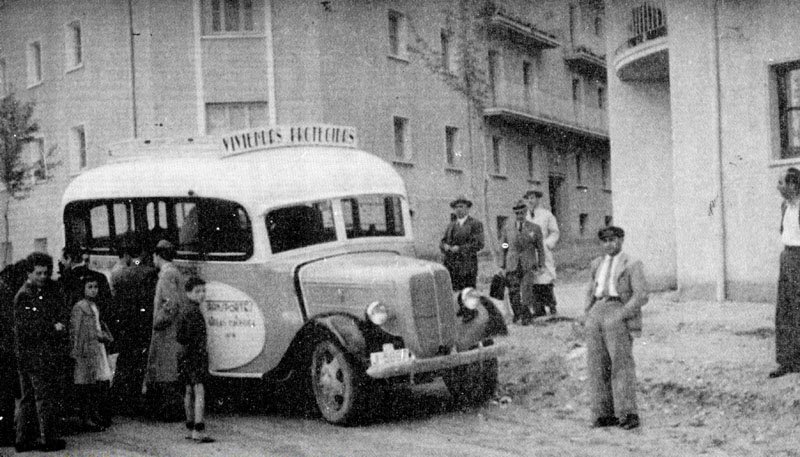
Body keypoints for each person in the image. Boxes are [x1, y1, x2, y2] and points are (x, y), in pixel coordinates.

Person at [584, 226, 648, 430]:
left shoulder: (632, 264)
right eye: (605, 241)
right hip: (597, 311)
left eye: (613, 240)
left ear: (621, 240)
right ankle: (603, 414)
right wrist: (587, 313)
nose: (609, 244)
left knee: (621, 364)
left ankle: (628, 414)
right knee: (597, 364)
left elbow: (641, 295)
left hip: (617, 309)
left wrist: (622, 314)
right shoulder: (596, 263)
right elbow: (591, 290)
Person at [13, 252, 68, 452]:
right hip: (35, 355)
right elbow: (28, 328)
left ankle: (22, 440)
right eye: (38, 273)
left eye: (46, 273)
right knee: (44, 398)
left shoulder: (36, 291)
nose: (43, 277)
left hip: (30, 355)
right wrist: (53, 327)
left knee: (28, 398)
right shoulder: (25, 295)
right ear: (29, 273)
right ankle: (48, 439)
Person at [110, 241, 158, 410]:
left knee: (125, 360)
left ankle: (120, 396)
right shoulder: (140, 270)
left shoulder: (117, 271)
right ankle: (131, 398)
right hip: (138, 321)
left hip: (124, 320)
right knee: (137, 361)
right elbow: (141, 270)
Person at [144, 240, 185, 421]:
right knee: (168, 369)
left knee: (165, 369)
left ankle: (169, 411)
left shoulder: (167, 275)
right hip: (173, 329)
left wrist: (158, 321)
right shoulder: (173, 272)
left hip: (166, 330)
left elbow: (171, 303)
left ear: (157, 255)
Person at [69, 276, 114, 431]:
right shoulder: (80, 307)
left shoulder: (94, 306)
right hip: (85, 349)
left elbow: (96, 325)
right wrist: (77, 350)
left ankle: (92, 414)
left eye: (95, 287)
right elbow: (76, 330)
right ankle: (86, 417)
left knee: (95, 383)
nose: (93, 290)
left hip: (96, 348)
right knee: (86, 384)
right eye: (90, 287)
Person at [176, 277, 214, 443]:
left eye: (203, 291)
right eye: (197, 291)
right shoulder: (195, 312)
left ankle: (190, 426)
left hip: (184, 355)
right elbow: (195, 337)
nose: (201, 294)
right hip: (195, 356)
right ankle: (199, 429)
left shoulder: (184, 309)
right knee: (199, 391)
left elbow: (180, 336)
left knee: (188, 391)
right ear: (188, 292)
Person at [498, 199, 545, 325]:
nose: (519, 215)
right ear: (514, 213)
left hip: (528, 263)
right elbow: (504, 245)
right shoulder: (507, 228)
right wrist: (502, 264)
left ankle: (525, 315)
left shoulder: (535, 228)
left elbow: (540, 248)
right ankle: (517, 314)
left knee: (526, 289)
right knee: (513, 290)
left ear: (526, 213)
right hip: (512, 263)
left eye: (522, 213)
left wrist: (541, 264)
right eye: (517, 213)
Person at [772, 167, 800, 378]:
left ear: (793, 185)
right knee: (785, 310)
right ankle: (786, 360)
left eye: (781, 182)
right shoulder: (784, 207)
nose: (778, 187)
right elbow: (784, 232)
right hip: (787, 257)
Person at [0, 260, 28, 446]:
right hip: (4, 349)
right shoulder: (5, 291)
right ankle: (4, 433)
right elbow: (9, 322)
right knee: (5, 393)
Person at [524, 187, 560, 316]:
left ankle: (551, 305)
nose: (530, 200)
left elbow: (555, 232)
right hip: (529, 251)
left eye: (532, 198)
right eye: (528, 198)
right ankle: (538, 308)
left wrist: (547, 244)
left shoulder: (546, 214)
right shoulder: (524, 215)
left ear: (538, 199)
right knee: (533, 279)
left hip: (543, 250)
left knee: (545, 278)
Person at [440, 195, 485, 290]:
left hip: (467, 267)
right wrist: (445, 246)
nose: (458, 209)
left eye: (461, 206)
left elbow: (479, 244)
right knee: (453, 295)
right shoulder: (451, 225)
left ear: (467, 208)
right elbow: (442, 241)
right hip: (451, 267)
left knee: (467, 296)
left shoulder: (475, 224)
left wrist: (460, 249)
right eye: (456, 207)